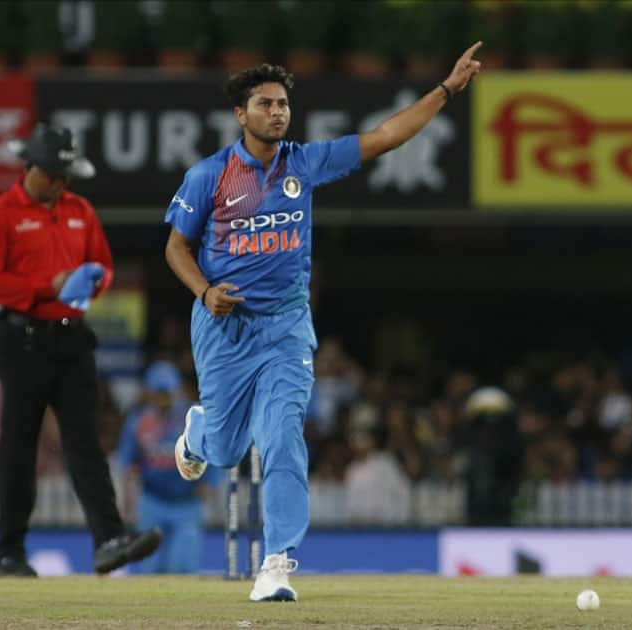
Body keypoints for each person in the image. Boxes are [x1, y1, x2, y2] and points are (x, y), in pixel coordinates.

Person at [164, 43, 483, 600]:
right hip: (224, 328)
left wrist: (448, 88)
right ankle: (199, 433)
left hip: (286, 326)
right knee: (225, 451)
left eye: (283, 103)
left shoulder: (303, 162)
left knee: (283, 436)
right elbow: (174, 247)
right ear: (241, 114)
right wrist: (205, 289)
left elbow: (385, 137)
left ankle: (277, 564)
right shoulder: (209, 176)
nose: (278, 112)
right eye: (265, 104)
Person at [0, 123, 162, 577]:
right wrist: (47, 286)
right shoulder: (0, 214)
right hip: (21, 339)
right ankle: (9, 553)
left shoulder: (80, 210)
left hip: (71, 336)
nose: (61, 184)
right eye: (54, 174)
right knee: (19, 444)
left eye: (66, 175)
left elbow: (105, 268)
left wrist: (90, 283)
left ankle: (110, 540)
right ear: (31, 168)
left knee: (85, 443)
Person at [117, 361, 217, 573]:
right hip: (152, 501)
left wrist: (211, 483)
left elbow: (214, 451)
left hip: (188, 502)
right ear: (150, 393)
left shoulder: (192, 418)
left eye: (167, 392)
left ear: (176, 390)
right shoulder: (139, 420)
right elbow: (126, 461)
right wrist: (129, 495)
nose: (163, 399)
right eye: (159, 393)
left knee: (183, 566)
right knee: (148, 567)